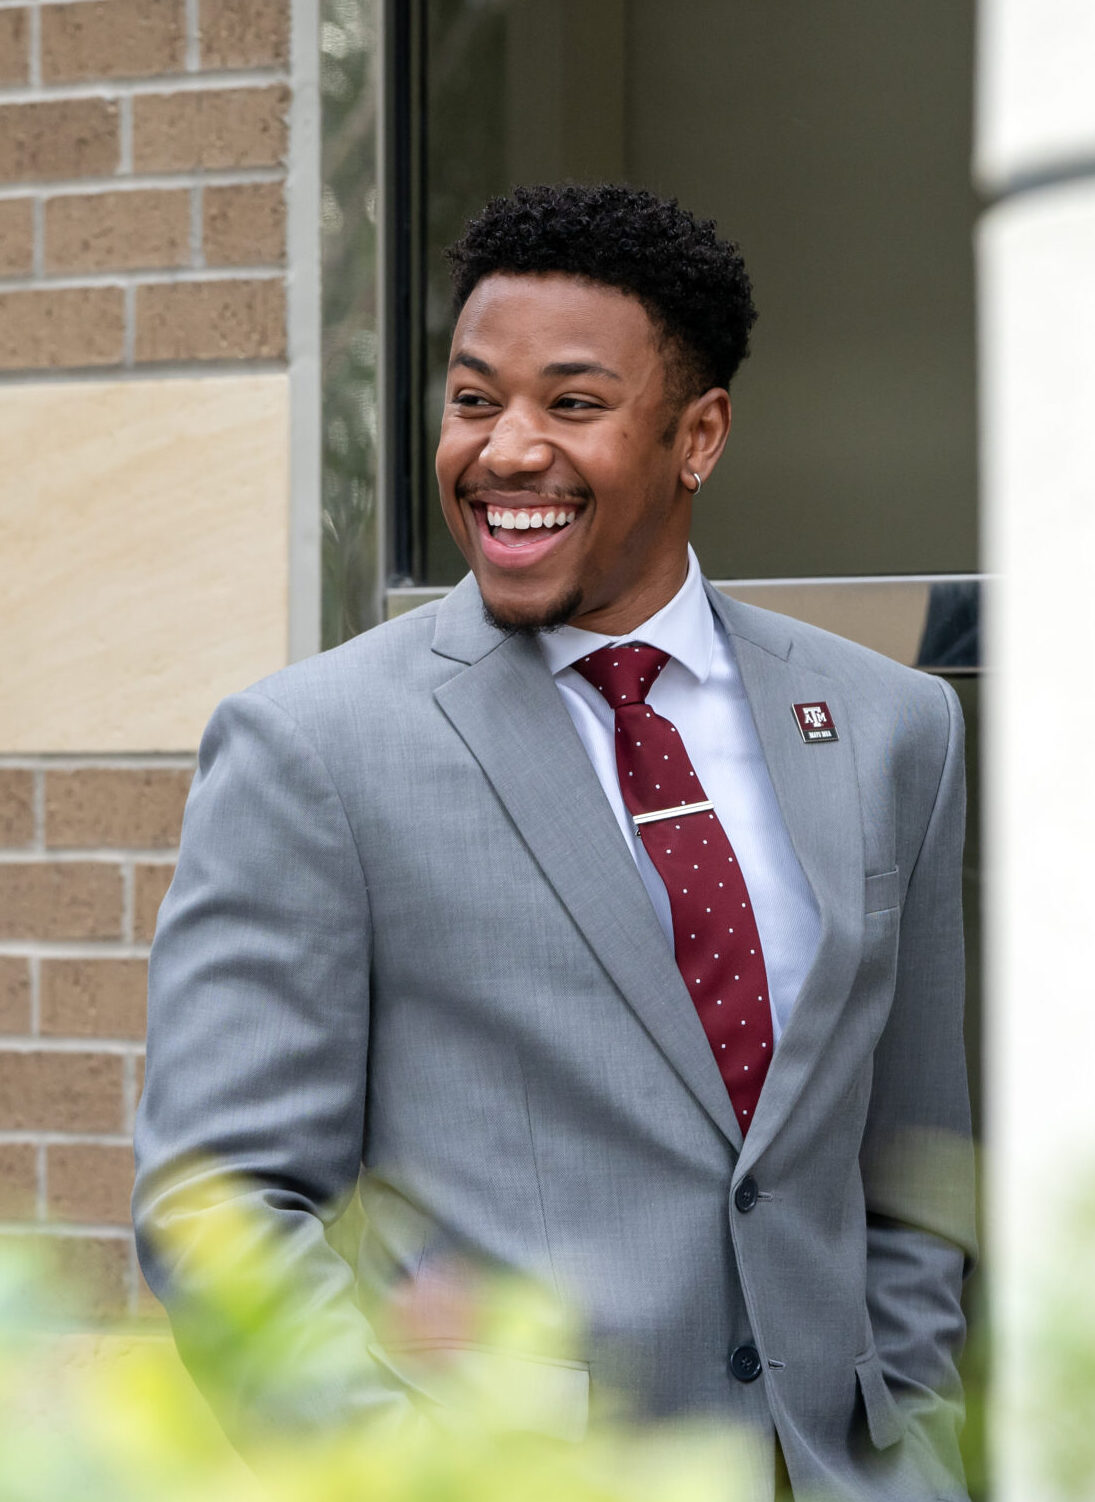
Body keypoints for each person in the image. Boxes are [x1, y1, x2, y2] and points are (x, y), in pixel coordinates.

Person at [134, 183, 975, 1501]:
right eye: (474, 401)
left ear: (697, 436)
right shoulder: (312, 748)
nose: (506, 449)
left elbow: (916, 1162)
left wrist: (907, 1436)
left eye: (571, 404)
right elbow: (220, 1206)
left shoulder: (890, 728)